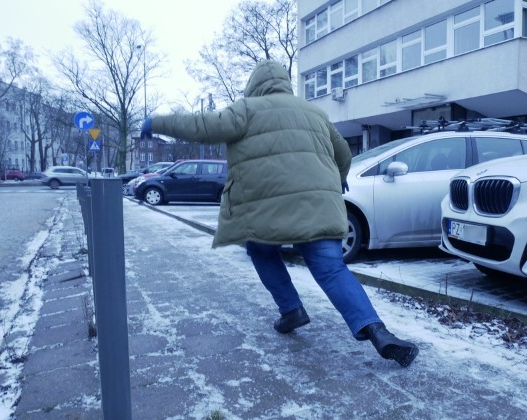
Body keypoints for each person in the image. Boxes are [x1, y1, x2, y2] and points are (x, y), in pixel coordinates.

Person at [140, 60, 419, 367]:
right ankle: (377, 331)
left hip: (268, 212)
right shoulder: (314, 113)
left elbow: (201, 126)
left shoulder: (246, 109)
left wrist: (157, 123)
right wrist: (337, 180)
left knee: (261, 251)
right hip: (319, 207)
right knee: (332, 270)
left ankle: (291, 309)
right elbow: (344, 154)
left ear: (254, 84)